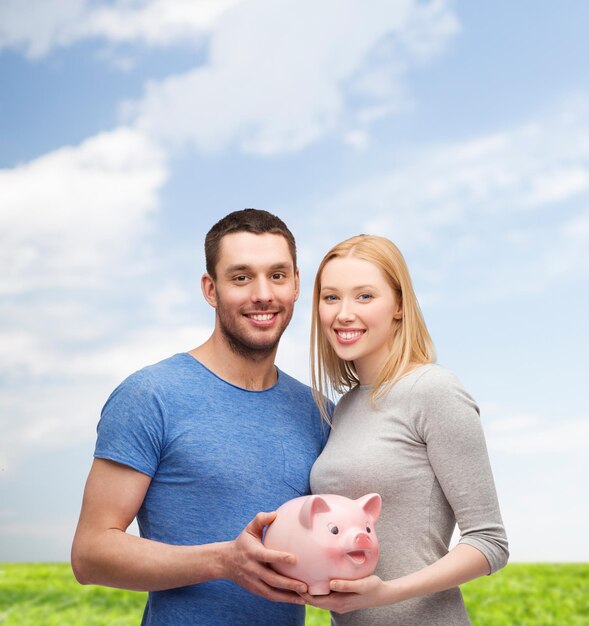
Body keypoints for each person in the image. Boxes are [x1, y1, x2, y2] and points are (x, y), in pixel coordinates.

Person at [71, 209, 325, 626]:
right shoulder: (151, 395)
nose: (263, 294)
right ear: (211, 289)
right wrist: (223, 561)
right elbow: (90, 554)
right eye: (241, 277)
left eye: (277, 276)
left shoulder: (318, 412)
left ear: (296, 284)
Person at [304, 234, 509, 625]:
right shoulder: (344, 408)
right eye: (331, 298)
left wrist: (387, 593)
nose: (344, 313)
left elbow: (490, 542)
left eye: (364, 296)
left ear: (399, 305)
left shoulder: (435, 390)